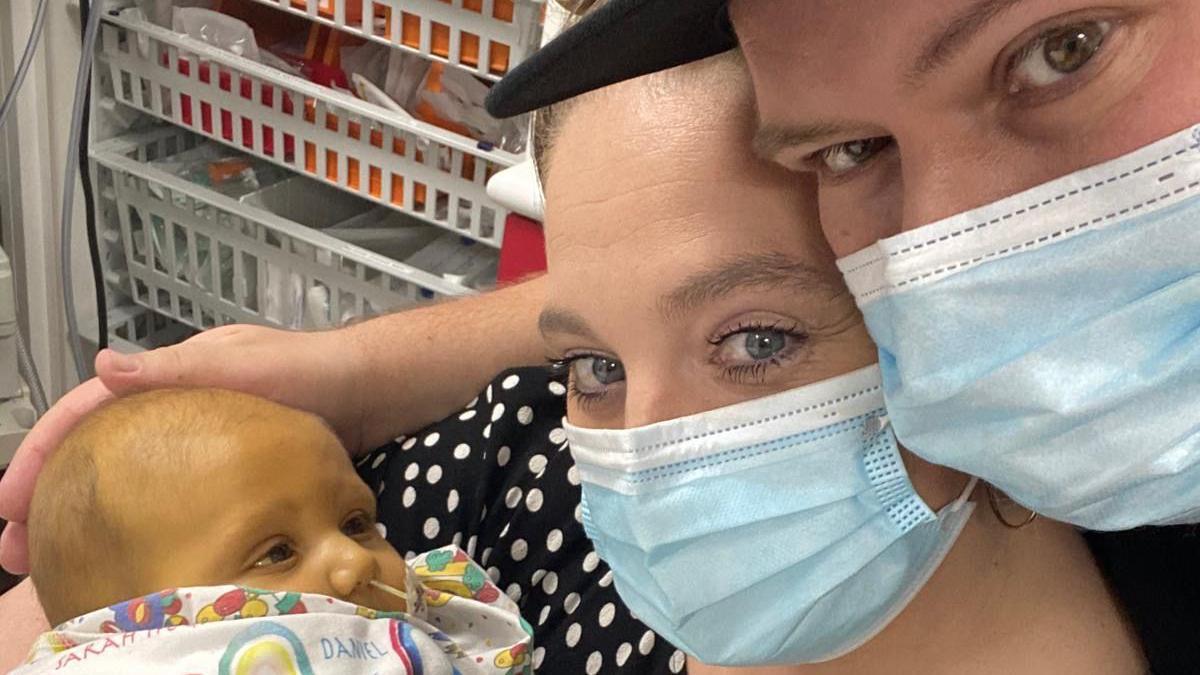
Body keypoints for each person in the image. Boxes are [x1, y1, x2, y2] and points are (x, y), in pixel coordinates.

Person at [14, 388, 532, 674]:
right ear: (135, 627)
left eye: (357, 524)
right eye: (277, 553)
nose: (355, 561)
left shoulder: (430, 623)